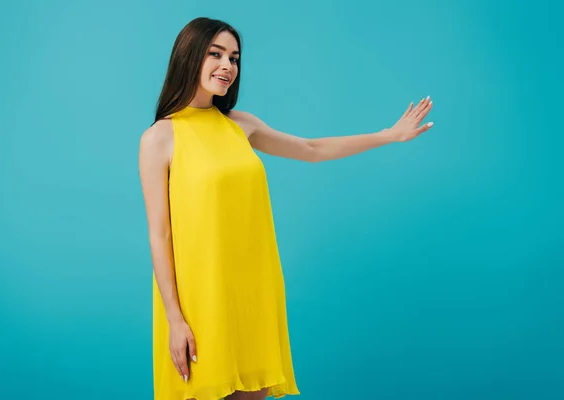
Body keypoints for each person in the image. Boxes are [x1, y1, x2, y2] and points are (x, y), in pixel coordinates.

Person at [138, 16, 434, 400]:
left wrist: (388, 135)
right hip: (200, 297)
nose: (227, 66)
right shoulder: (160, 138)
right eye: (216, 54)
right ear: (189, 56)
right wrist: (174, 319)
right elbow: (159, 234)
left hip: (253, 290)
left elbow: (311, 150)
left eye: (235, 58)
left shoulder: (241, 125)